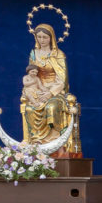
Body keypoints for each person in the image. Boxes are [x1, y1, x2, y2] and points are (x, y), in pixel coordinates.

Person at [22, 23, 76, 152]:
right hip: (38, 89)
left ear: (51, 38)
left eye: (45, 37)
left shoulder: (58, 54)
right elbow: (31, 74)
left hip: (55, 91)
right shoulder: (34, 54)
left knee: (51, 107)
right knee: (30, 108)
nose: (42, 40)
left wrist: (50, 93)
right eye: (39, 37)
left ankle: (55, 142)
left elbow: (62, 79)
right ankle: (36, 142)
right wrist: (35, 90)